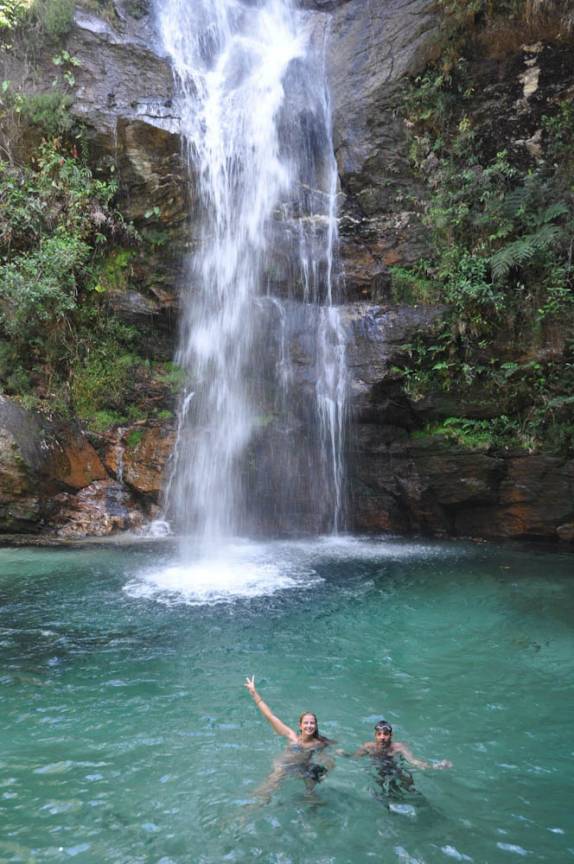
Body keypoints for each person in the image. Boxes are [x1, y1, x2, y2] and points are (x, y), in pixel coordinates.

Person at [244, 675, 334, 800]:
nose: (309, 726)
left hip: (301, 768)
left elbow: (327, 759)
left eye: (312, 723)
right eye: (306, 723)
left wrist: (326, 768)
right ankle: (252, 805)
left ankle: (310, 800)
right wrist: (254, 694)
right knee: (266, 793)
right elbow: (270, 716)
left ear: (316, 725)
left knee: (313, 778)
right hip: (283, 767)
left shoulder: (318, 743)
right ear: (300, 725)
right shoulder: (292, 737)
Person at [355, 719, 452, 798]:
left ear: (391, 735)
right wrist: (343, 754)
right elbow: (354, 758)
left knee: (408, 784)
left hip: (394, 770)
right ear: (375, 736)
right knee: (382, 793)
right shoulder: (368, 747)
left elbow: (413, 760)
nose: (382, 737)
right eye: (379, 734)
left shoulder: (398, 747)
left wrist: (434, 766)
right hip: (378, 771)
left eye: (385, 734)